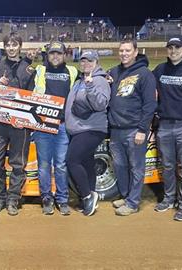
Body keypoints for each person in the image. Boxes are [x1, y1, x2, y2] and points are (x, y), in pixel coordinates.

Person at [0, 33, 36, 216]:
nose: (11, 48)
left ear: (20, 46)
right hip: (0, 123)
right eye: (8, 44)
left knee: (18, 163)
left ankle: (13, 198)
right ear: (4, 47)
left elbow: (33, 97)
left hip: (20, 124)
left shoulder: (29, 70)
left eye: (14, 45)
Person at [108, 39, 157, 216]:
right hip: (116, 129)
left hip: (134, 130)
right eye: (121, 50)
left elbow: (150, 104)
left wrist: (143, 130)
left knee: (136, 167)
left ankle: (133, 202)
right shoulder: (114, 71)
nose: (124, 53)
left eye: (128, 50)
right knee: (120, 166)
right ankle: (126, 195)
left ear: (136, 52)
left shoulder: (145, 74)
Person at [153, 36, 182, 221]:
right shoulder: (160, 70)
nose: (173, 50)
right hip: (164, 125)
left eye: (177, 47)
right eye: (170, 47)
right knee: (168, 166)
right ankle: (169, 199)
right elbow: (144, 81)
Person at [32, 41, 78, 215]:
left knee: (60, 165)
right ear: (47, 55)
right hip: (43, 125)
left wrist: (105, 76)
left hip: (62, 125)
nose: (55, 56)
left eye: (59, 53)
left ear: (64, 55)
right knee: (44, 165)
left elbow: (90, 78)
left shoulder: (72, 72)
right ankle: (46, 197)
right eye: (52, 53)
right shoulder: (40, 70)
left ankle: (62, 199)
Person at [65, 50, 110, 216]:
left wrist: (90, 85)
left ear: (96, 62)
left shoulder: (98, 80)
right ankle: (89, 198)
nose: (86, 64)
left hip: (91, 129)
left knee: (72, 160)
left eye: (90, 61)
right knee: (86, 163)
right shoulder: (80, 80)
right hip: (79, 129)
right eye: (83, 61)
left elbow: (100, 104)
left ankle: (87, 195)